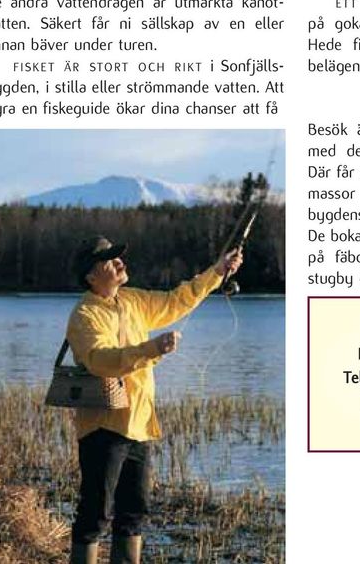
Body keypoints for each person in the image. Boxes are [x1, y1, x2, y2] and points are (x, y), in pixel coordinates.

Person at [64, 234, 243, 563]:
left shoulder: (132, 300)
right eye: (110, 260)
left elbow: (179, 299)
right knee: (95, 514)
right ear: (90, 275)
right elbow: (100, 360)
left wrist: (217, 272)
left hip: (140, 426)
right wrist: (152, 349)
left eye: (119, 257)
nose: (120, 262)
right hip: (103, 427)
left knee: (134, 512)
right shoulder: (84, 316)